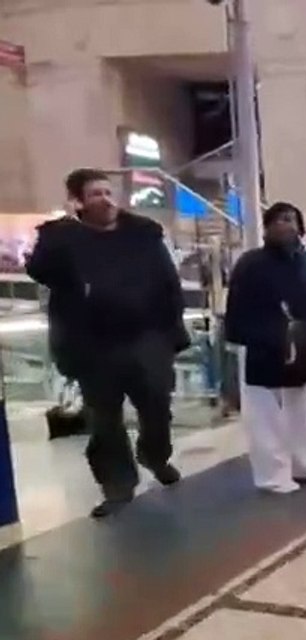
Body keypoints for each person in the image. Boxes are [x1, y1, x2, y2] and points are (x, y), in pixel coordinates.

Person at [26, 168, 188, 518]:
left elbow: (168, 282)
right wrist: (58, 234)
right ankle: (117, 485)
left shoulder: (143, 234)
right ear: (78, 202)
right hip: (93, 346)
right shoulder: (63, 239)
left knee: (157, 405)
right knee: (105, 420)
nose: (106, 199)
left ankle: (155, 455)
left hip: (147, 338)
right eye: (95, 194)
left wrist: (172, 330)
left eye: (108, 192)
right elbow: (39, 271)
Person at [224, 202, 306, 495]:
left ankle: (303, 463)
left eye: (291, 219)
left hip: (301, 347)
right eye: (279, 219)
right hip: (263, 347)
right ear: (267, 226)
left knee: (300, 411)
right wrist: (260, 336)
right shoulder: (251, 263)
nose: (286, 225)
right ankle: (272, 473)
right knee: (264, 416)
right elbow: (238, 308)